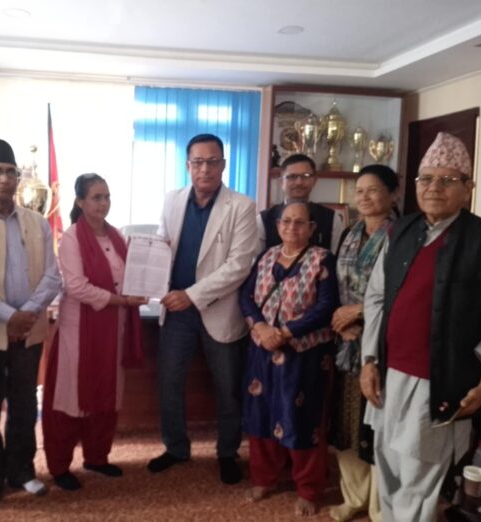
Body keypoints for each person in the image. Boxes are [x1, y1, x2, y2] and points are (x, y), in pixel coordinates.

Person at [360, 132, 481, 522]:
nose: (434, 188)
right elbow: (376, 297)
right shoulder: (399, 231)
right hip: (389, 374)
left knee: (419, 479)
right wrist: (369, 360)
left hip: (439, 382)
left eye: (448, 180)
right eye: (426, 179)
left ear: (468, 188)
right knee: (387, 466)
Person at [147, 133, 258, 485]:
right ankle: (176, 447)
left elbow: (239, 266)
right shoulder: (172, 200)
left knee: (227, 387)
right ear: (188, 165)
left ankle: (227, 452)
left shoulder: (242, 206)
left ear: (223, 165)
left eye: (212, 162)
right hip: (176, 310)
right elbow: (162, 246)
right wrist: (149, 275)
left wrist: (192, 295)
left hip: (219, 308)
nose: (205, 169)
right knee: (169, 382)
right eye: (198, 162)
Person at [0, 139, 62, 507]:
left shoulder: (37, 222)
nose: (3, 179)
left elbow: (52, 276)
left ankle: (21, 470)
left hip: (28, 333)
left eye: (10, 172)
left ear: (18, 179)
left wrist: (26, 315)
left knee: (23, 404)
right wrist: (9, 316)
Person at [42, 173, 146, 491]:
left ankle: (97, 457)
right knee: (71, 396)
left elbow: (131, 276)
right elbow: (76, 287)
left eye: (107, 197)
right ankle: (60, 465)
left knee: (108, 392)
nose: (103, 203)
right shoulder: (72, 238)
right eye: (96, 197)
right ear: (80, 202)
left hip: (114, 329)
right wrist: (121, 300)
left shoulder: (117, 237)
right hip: (79, 332)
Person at [241, 201, 338, 516]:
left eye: (299, 222)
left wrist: (285, 332)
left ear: (312, 228)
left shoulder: (322, 259)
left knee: (302, 419)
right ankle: (263, 478)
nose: (291, 228)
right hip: (263, 350)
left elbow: (326, 306)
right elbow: (246, 296)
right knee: (261, 414)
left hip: (304, 354)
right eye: (286, 222)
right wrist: (260, 326)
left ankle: (308, 489)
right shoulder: (266, 256)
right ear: (277, 226)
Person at [329, 165, 399, 522]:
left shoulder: (404, 235)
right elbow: (335, 286)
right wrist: (342, 324)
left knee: (379, 426)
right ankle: (354, 496)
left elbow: (405, 292)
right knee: (347, 424)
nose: (364, 197)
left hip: (385, 343)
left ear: (393, 194)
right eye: (359, 191)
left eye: (373, 190)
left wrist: (360, 311)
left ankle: (380, 507)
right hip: (347, 343)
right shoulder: (349, 232)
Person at [258, 154, 344, 253]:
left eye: (305, 176)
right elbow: (255, 260)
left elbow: (337, 258)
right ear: (281, 182)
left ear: (314, 181)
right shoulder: (263, 220)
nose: (299, 182)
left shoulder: (332, 219)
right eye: (292, 177)